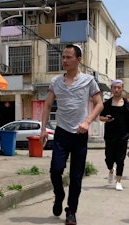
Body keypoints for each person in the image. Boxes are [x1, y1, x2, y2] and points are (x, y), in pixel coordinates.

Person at [39, 44, 103, 225]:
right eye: (63, 57)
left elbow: (99, 104)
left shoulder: (89, 81)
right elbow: (48, 106)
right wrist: (43, 130)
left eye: (69, 57)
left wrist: (87, 121)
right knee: (56, 170)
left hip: (80, 135)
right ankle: (59, 195)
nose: (64, 60)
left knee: (76, 176)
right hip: (62, 133)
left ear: (78, 60)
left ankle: (71, 211)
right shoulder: (56, 82)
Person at [99, 79, 129, 191]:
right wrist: (106, 119)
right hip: (110, 135)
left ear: (122, 89)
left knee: (120, 159)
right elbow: (100, 117)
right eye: (114, 87)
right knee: (109, 158)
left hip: (123, 135)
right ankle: (111, 170)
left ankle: (118, 181)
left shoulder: (127, 105)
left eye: (119, 87)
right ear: (111, 89)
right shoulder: (106, 104)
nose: (116, 89)